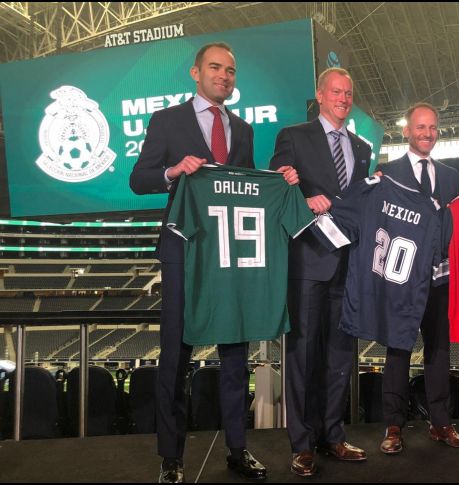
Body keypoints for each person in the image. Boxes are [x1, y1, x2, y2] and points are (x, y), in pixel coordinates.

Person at [129, 42, 297, 483]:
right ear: (196, 72)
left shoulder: (242, 130)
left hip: (229, 255)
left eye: (230, 70)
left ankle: (237, 449)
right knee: (176, 356)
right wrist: (172, 172)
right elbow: (138, 179)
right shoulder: (166, 120)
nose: (224, 76)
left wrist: (277, 180)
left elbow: (246, 187)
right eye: (215, 67)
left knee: (235, 355)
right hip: (184, 252)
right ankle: (171, 457)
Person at [269, 67, 371, 477]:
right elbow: (278, 188)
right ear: (320, 94)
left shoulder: (362, 147)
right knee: (303, 356)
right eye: (336, 91)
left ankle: (333, 435)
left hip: (349, 264)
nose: (343, 98)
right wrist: (298, 192)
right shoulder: (293, 136)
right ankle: (302, 444)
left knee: (340, 356)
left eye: (348, 93)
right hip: (308, 261)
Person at [375, 103, 459, 454]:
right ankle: (394, 425)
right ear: (406, 131)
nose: (427, 133)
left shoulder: (450, 175)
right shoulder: (388, 172)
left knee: (439, 350)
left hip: (440, 279)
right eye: (420, 127)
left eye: (432, 127)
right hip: (401, 277)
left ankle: (441, 423)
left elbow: (458, 221)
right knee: (397, 350)